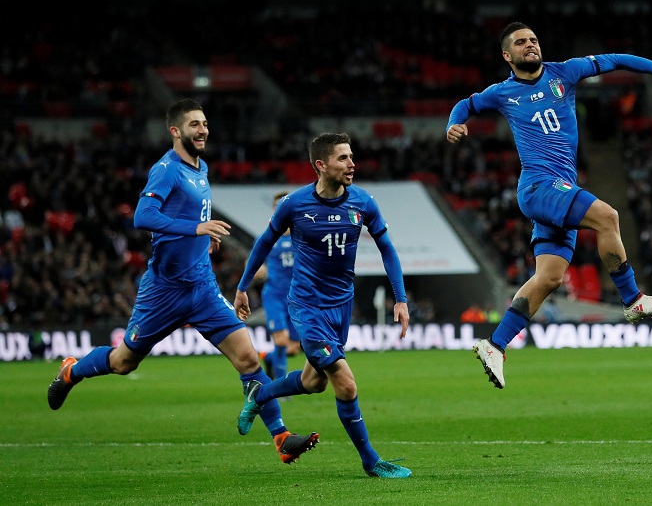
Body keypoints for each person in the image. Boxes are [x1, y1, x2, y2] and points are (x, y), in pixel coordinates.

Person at [47, 98, 319, 464]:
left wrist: (202, 238)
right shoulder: (166, 169)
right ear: (175, 131)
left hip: (202, 288)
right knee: (126, 361)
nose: (203, 129)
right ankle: (72, 371)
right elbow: (143, 216)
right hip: (164, 291)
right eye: (194, 124)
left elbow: (190, 213)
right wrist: (196, 228)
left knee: (248, 356)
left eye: (205, 123)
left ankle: (281, 438)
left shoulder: (201, 167)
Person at [446, 22, 652, 389]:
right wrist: (455, 123)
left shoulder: (565, 72)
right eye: (521, 43)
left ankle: (494, 345)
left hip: (558, 189)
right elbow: (466, 103)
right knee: (608, 217)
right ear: (507, 56)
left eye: (534, 40)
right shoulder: (502, 93)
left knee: (550, 278)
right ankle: (633, 299)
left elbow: (618, 60)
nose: (530, 45)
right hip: (540, 187)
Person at [233, 132, 412, 479]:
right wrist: (242, 287)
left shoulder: (363, 202)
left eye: (351, 157)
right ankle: (371, 461)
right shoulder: (294, 204)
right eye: (343, 158)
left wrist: (401, 298)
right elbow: (263, 243)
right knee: (345, 383)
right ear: (321, 165)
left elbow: (387, 249)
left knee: (314, 382)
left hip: (340, 306)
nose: (351, 164)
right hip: (307, 305)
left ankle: (260, 394)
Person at [254, 191, 303, 382]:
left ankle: (268, 358)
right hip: (274, 295)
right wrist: (259, 270)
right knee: (281, 341)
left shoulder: (302, 236)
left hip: (297, 298)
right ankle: (282, 388)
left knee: (292, 348)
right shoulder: (267, 237)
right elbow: (252, 263)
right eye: (277, 205)